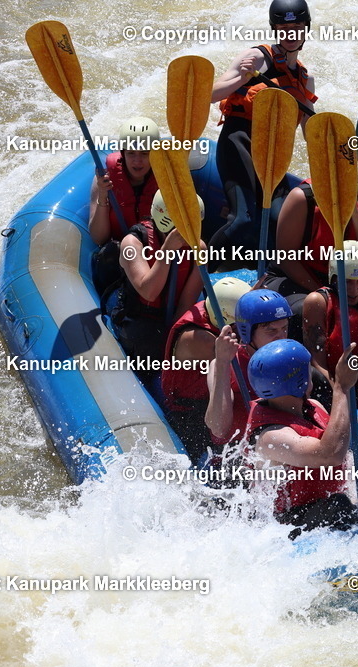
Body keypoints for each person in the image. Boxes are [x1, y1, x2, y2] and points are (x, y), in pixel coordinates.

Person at [207, 0, 316, 266]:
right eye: (284, 27)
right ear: (275, 29)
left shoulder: (305, 78)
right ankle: (198, 276)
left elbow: (311, 130)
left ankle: (270, 278)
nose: (290, 34)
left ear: (306, 29)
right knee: (242, 219)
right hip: (240, 143)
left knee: (280, 219)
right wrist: (241, 79)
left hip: (273, 157)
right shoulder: (257, 57)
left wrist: (346, 149)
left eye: (297, 27)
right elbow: (209, 95)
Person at [244, 338, 358, 538]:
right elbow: (329, 456)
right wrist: (341, 388)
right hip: (288, 525)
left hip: (325, 507)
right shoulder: (271, 437)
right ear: (297, 379)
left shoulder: (313, 406)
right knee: (339, 505)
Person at [262, 172, 358, 331]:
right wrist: (323, 296)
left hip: (344, 282)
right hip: (295, 278)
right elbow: (286, 258)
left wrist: (351, 208)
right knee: (308, 310)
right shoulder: (303, 198)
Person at [162, 277, 251, 463]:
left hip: (209, 394)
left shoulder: (213, 308)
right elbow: (241, 354)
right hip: (189, 410)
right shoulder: (200, 339)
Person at [111, 190, 206, 367]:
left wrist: (175, 337)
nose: (187, 231)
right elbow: (149, 292)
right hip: (137, 317)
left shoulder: (199, 249)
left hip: (170, 317)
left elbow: (186, 303)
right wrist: (168, 250)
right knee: (150, 344)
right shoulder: (132, 243)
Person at [302, 240, 358, 409]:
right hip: (334, 383)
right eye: (347, 281)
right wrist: (340, 394)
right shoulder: (318, 302)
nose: (353, 289)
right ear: (334, 278)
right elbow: (317, 362)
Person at [205, 289, 293, 453]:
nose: (282, 338)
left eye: (284, 329)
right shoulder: (223, 364)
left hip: (279, 448)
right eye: (272, 331)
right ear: (247, 333)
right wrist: (223, 363)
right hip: (234, 455)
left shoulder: (291, 358)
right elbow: (218, 428)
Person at [90, 118, 160, 297]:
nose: (138, 161)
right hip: (118, 254)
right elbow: (99, 237)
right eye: (131, 153)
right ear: (122, 153)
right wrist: (104, 196)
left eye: (144, 153)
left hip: (153, 253)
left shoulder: (165, 179)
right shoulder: (105, 178)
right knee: (108, 255)